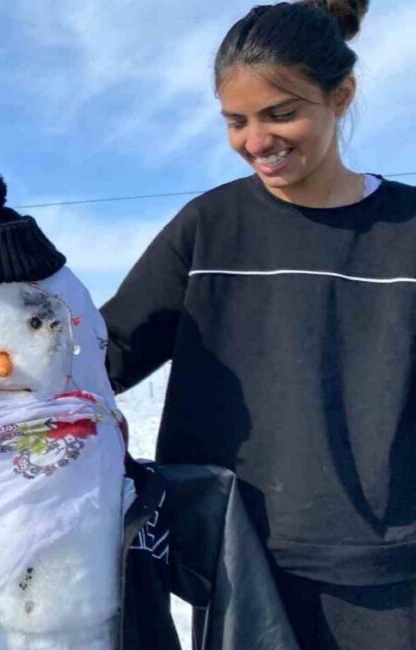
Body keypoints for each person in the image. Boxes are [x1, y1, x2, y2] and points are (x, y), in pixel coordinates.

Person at [100, 1, 415, 648]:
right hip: (241, 567)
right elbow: (107, 355)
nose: (255, 141)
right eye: (235, 122)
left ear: (342, 95)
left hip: (389, 578)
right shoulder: (211, 227)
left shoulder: (406, 232)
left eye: (281, 114)